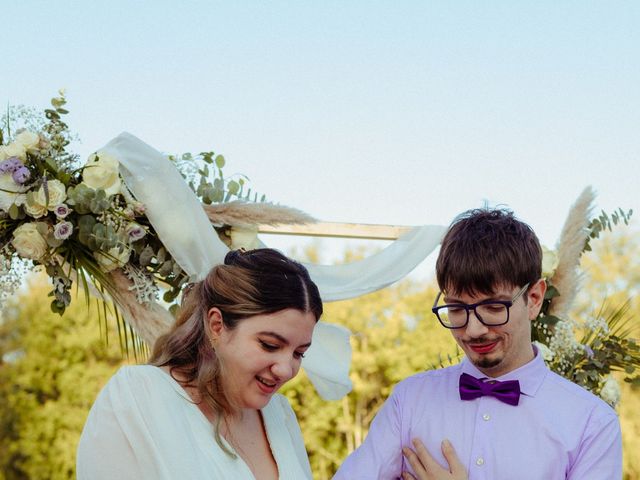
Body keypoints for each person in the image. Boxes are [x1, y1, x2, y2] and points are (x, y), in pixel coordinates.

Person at [334, 208, 622, 480]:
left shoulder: (592, 425)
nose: (473, 330)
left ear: (533, 299)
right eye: (457, 309)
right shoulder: (408, 401)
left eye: (494, 307)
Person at [77, 248, 322, 479]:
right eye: (269, 345)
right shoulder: (138, 397)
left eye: (299, 353)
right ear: (217, 325)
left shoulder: (280, 415)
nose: (286, 369)